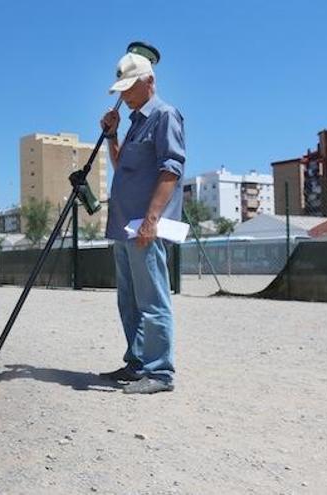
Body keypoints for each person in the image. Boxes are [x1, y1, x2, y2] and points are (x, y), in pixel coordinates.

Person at [98, 52, 184, 394]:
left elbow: (171, 170)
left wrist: (151, 220)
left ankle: (160, 373)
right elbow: (122, 168)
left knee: (152, 299)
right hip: (124, 225)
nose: (123, 95)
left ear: (149, 82)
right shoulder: (133, 122)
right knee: (129, 300)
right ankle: (136, 363)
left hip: (144, 226)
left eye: (129, 88)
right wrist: (112, 136)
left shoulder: (164, 115)